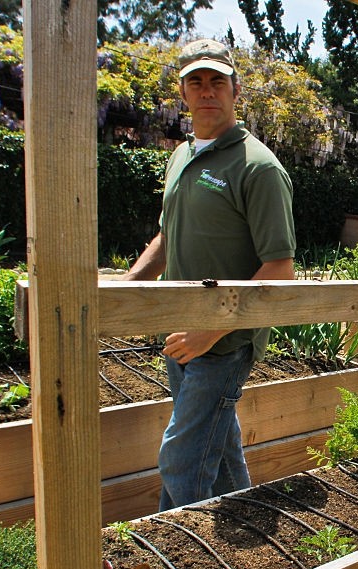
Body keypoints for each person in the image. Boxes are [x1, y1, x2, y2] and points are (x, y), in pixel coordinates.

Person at [123, 39, 297, 511]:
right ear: (182, 91)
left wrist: (209, 332)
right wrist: (128, 288)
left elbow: (279, 270)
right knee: (216, 454)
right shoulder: (180, 157)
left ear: (235, 90)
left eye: (217, 81)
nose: (207, 91)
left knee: (181, 459)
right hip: (182, 334)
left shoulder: (258, 168)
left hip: (222, 343)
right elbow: (167, 235)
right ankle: (247, 516)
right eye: (196, 81)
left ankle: (179, 568)